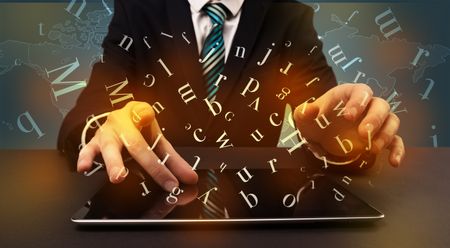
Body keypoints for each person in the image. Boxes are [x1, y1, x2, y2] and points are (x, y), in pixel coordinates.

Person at [58, 0, 405, 193]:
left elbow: (325, 112)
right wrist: (103, 125)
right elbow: (93, 104)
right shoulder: (138, 10)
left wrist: (343, 138)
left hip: (262, 218)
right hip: (155, 206)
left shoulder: (290, 17)